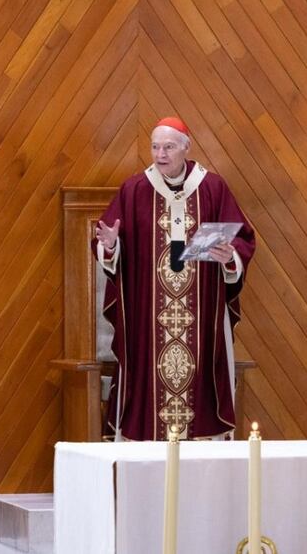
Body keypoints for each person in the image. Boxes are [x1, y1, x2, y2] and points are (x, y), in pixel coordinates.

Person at [93, 117, 256, 441]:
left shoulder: (212, 187)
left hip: (202, 318)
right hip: (147, 322)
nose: (160, 154)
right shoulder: (134, 189)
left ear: (186, 147)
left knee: (203, 377)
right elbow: (107, 242)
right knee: (144, 375)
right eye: (155, 147)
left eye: (168, 147)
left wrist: (230, 257)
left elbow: (243, 239)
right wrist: (110, 244)